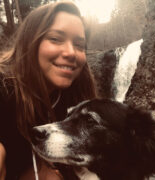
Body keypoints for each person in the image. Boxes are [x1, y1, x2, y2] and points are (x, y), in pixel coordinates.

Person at [0, 1, 97, 179]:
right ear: (30, 42)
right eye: (55, 39)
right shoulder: (4, 89)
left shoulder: (77, 97)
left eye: (79, 45)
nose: (71, 52)